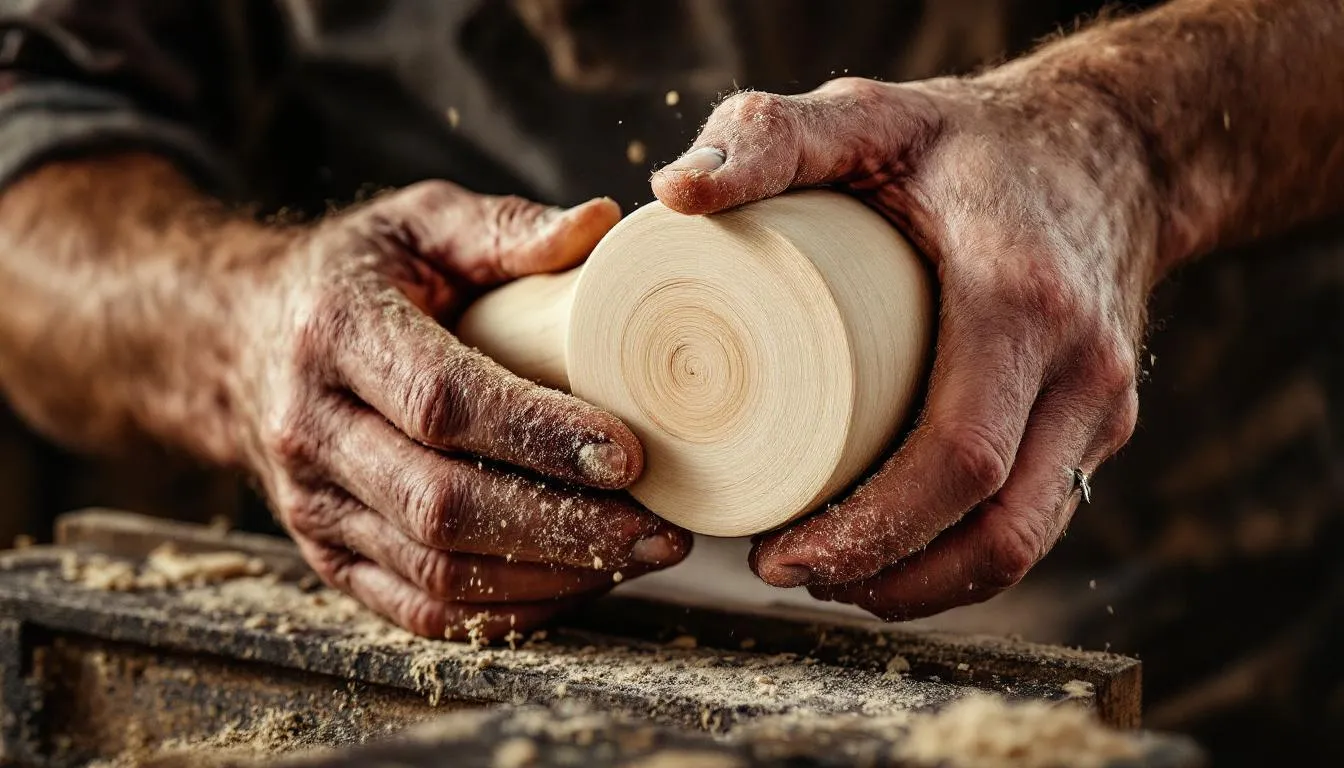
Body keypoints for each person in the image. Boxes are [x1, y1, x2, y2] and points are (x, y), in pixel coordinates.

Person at [1, 0, 1341, 760]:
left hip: (1181, 648)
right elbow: (28, 142)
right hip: (433, 657)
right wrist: (237, 327)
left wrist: (1137, 139)